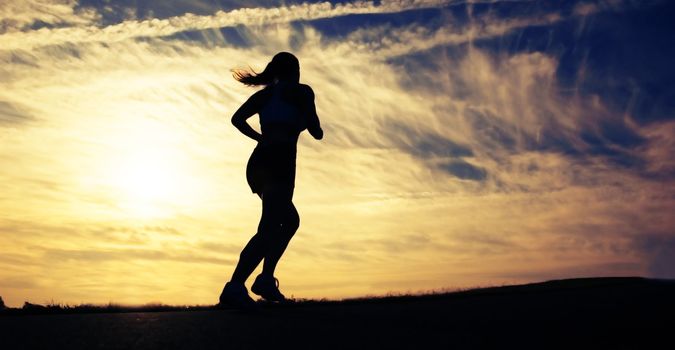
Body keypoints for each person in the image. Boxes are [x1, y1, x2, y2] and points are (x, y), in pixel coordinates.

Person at [219, 52, 323, 308]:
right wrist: (307, 117)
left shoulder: (265, 95)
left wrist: (260, 138)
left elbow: (236, 119)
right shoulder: (302, 92)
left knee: (287, 221)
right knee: (269, 227)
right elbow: (317, 131)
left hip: (260, 162)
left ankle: (265, 279)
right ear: (296, 70)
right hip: (280, 163)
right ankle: (234, 286)